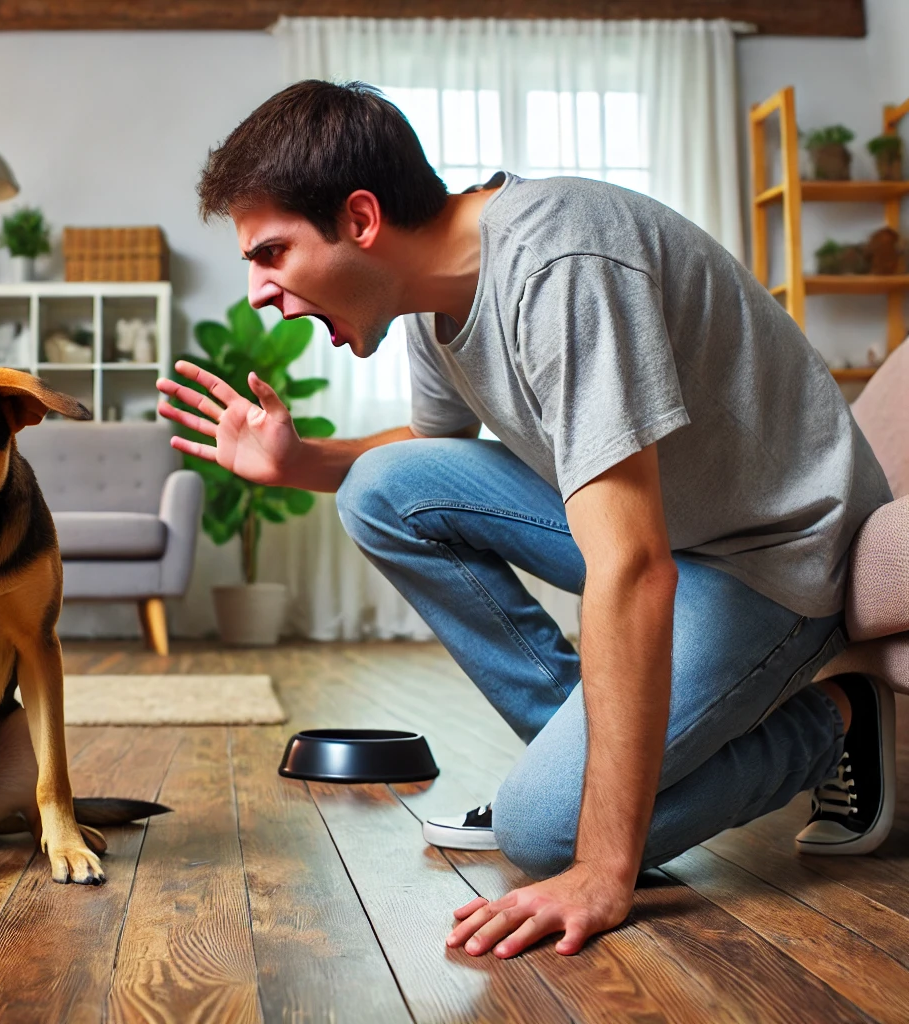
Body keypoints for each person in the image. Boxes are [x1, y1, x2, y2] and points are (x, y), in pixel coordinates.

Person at [157, 80, 895, 959]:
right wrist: (301, 462)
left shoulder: (557, 267)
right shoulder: (433, 300)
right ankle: (593, 758)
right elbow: (428, 454)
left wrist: (601, 867)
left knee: (547, 839)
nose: (259, 295)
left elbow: (632, 566)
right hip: (675, 529)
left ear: (360, 220)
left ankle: (838, 720)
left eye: (272, 252)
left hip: (769, 554)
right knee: (378, 489)